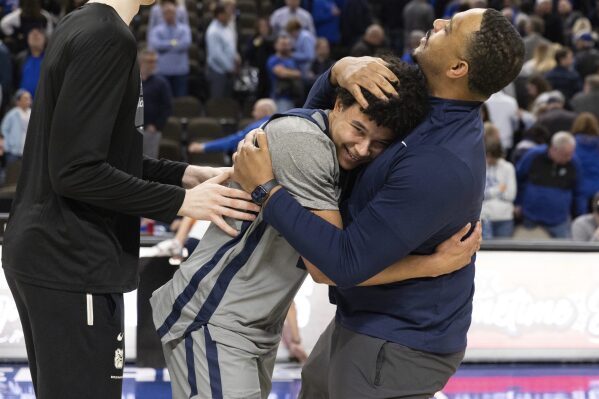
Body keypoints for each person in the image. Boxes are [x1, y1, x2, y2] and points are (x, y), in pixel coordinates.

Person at [234, 8, 524, 398]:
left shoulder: (438, 163)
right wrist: (339, 71)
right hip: (364, 323)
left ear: (457, 67)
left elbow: (340, 264)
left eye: (449, 28)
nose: (437, 23)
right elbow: (325, 124)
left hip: (398, 344)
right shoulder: (421, 100)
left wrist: (266, 192)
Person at [151, 58, 473, 398]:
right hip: (213, 315)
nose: (363, 149)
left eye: (378, 143)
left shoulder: (331, 145)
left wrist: (337, 70)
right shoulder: (302, 142)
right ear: (338, 103)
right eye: (359, 130)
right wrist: (433, 265)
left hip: (249, 324)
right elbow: (329, 265)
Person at [1, 1, 260, 398]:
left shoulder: (81, 25)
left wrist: (185, 175)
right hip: (72, 258)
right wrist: (180, 203)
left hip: (49, 253)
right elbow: (76, 171)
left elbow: (98, 154)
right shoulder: (107, 37)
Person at [516, 131, 585, 238]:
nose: (569, 158)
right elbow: (519, 178)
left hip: (560, 222)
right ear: (554, 149)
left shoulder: (574, 163)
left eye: (571, 153)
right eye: (566, 155)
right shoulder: (533, 156)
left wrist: (580, 215)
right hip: (531, 219)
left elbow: (579, 192)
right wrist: (518, 203)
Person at [188, 98, 276, 155]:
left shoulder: (258, 126)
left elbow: (232, 141)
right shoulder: (279, 124)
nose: (253, 114)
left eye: (255, 110)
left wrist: (204, 147)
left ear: (265, 111)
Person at [147, 0, 191, 97]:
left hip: (180, 70)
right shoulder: (156, 30)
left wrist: (165, 46)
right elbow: (156, 44)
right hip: (163, 70)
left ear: (175, 13)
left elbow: (186, 43)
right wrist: (174, 43)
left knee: (180, 102)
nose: (169, 15)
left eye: (171, 13)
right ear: (162, 14)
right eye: (166, 13)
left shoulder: (184, 29)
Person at [481, 135, 517, 239]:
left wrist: (488, 193)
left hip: (504, 217)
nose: (489, 159)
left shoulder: (508, 168)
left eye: (492, 156)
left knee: (504, 252)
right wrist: (498, 190)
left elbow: (510, 195)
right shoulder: (480, 166)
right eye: (487, 156)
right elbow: (479, 195)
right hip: (484, 216)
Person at [139, 48, 172, 159]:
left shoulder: (161, 83)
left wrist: (156, 126)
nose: (153, 64)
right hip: (131, 129)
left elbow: (167, 107)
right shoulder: (132, 80)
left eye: (154, 61)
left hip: (150, 130)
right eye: (150, 61)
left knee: (150, 161)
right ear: (141, 62)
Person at [205, 3, 238, 99]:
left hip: (228, 71)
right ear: (220, 15)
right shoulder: (213, 31)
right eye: (228, 13)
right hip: (218, 72)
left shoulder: (226, 27)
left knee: (228, 101)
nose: (230, 16)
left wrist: (236, 56)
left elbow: (230, 46)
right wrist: (229, 67)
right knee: (218, 102)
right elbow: (216, 55)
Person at [0, 88, 31, 165]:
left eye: (29, 98)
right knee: (12, 172)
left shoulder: (31, 114)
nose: (28, 101)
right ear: (18, 101)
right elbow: (4, 130)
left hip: (27, 149)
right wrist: (9, 143)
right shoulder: (12, 114)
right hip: (13, 150)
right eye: (25, 98)